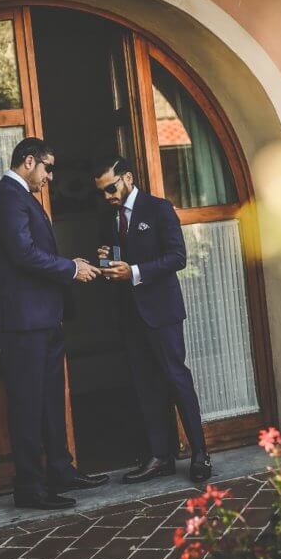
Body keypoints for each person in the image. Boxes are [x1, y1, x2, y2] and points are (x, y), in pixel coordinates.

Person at [0, 137, 109, 509]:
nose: (51, 176)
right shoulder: (7, 198)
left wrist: (72, 265)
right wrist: (71, 268)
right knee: (27, 405)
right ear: (28, 161)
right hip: (22, 321)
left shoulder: (21, 197)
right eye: (47, 168)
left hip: (43, 316)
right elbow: (23, 255)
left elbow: (36, 253)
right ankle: (30, 488)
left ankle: (60, 471)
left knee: (51, 400)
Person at [93, 155, 212, 484]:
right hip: (130, 315)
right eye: (102, 192)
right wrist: (108, 262)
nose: (108, 197)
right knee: (145, 386)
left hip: (162, 312)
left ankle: (200, 453)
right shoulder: (111, 218)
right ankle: (161, 457)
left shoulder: (159, 208)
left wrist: (132, 271)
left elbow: (177, 257)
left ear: (127, 178)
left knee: (176, 379)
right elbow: (119, 262)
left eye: (111, 188)